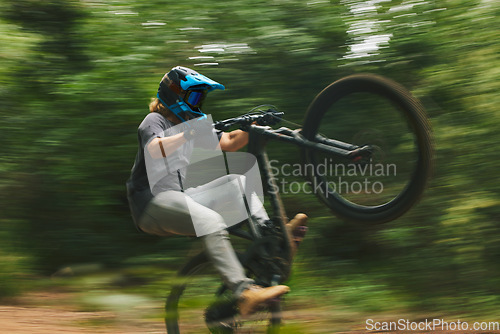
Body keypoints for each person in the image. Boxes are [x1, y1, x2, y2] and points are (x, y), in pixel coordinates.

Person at [126, 66, 307, 316]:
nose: (199, 104)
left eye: (202, 98)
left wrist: (255, 125)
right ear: (176, 96)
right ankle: (244, 292)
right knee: (211, 220)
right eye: (195, 97)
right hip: (151, 204)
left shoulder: (188, 125)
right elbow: (156, 149)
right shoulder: (155, 121)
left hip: (179, 196)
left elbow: (230, 142)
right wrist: (190, 132)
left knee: (237, 184)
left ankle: (273, 235)